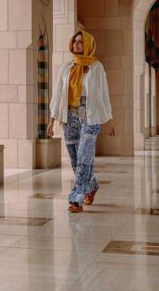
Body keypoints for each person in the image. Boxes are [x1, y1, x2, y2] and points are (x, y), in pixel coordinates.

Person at [47, 29, 115, 213]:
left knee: (85, 157)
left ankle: (76, 199)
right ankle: (91, 185)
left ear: (88, 45)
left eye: (80, 41)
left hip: (90, 115)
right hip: (69, 115)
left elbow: (103, 94)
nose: (76, 44)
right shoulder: (66, 68)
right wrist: (52, 120)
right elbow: (58, 94)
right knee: (75, 160)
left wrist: (109, 120)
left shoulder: (96, 67)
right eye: (75, 41)